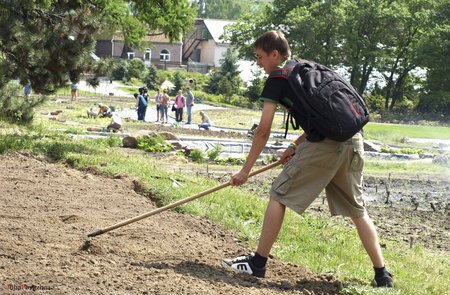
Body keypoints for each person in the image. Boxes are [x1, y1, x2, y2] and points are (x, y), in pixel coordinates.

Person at [221, 30, 393, 288]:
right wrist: (294, 145)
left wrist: (245, 170)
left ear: (275, 54)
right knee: (358, 210)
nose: (258, 63)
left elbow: (263, 130)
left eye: (259, 57)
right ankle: (383, 276)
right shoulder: (308, 68)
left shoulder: (277, 78)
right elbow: (322, 117)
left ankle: (257, 263)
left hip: (327, 145)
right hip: (354, 141)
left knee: (279, 194)